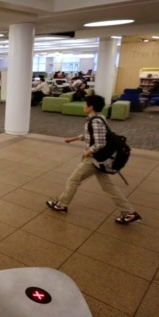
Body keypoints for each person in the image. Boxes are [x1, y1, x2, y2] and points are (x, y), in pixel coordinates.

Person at [46, 95, 142, 225]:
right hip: (101, 159)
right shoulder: (98, 117)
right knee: (108, 186)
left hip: (94, 159)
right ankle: (129, 212)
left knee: (73, 180)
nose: (84, 106)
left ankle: (62, 205)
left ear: (91, 107)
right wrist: (73, 139)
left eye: (85, 104)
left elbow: (100, 143)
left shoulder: (95, 121)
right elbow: (90, 136)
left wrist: (88, 152)